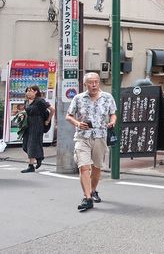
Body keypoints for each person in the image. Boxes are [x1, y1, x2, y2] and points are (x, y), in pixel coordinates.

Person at [65, 72, 117, 212]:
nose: (94, 85)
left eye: (96, 82)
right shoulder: (78, 98)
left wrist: (112, 122)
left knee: (97, 167)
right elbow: (68, 116)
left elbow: (113, 113)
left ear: (99, 83)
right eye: (90, 82)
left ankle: (93, 190)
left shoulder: (107, 97)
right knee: (83, 167)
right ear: (85, 84)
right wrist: (77, 123)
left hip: (100, 136)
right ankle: (87, 198)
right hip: (82, 137)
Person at [18, 86, 55, 173]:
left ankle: (31, 166)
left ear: (35, 92)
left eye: (30, 91)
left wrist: (48, 120)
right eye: (27, 91)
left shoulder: (39, 101)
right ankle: (39, 157)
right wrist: (22, 115)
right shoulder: (26, 101)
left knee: (32, 145)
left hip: (37, 124)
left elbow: (52, 110)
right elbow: (27, 111)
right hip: (28, 124)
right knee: (25, 145)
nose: (28, 92)